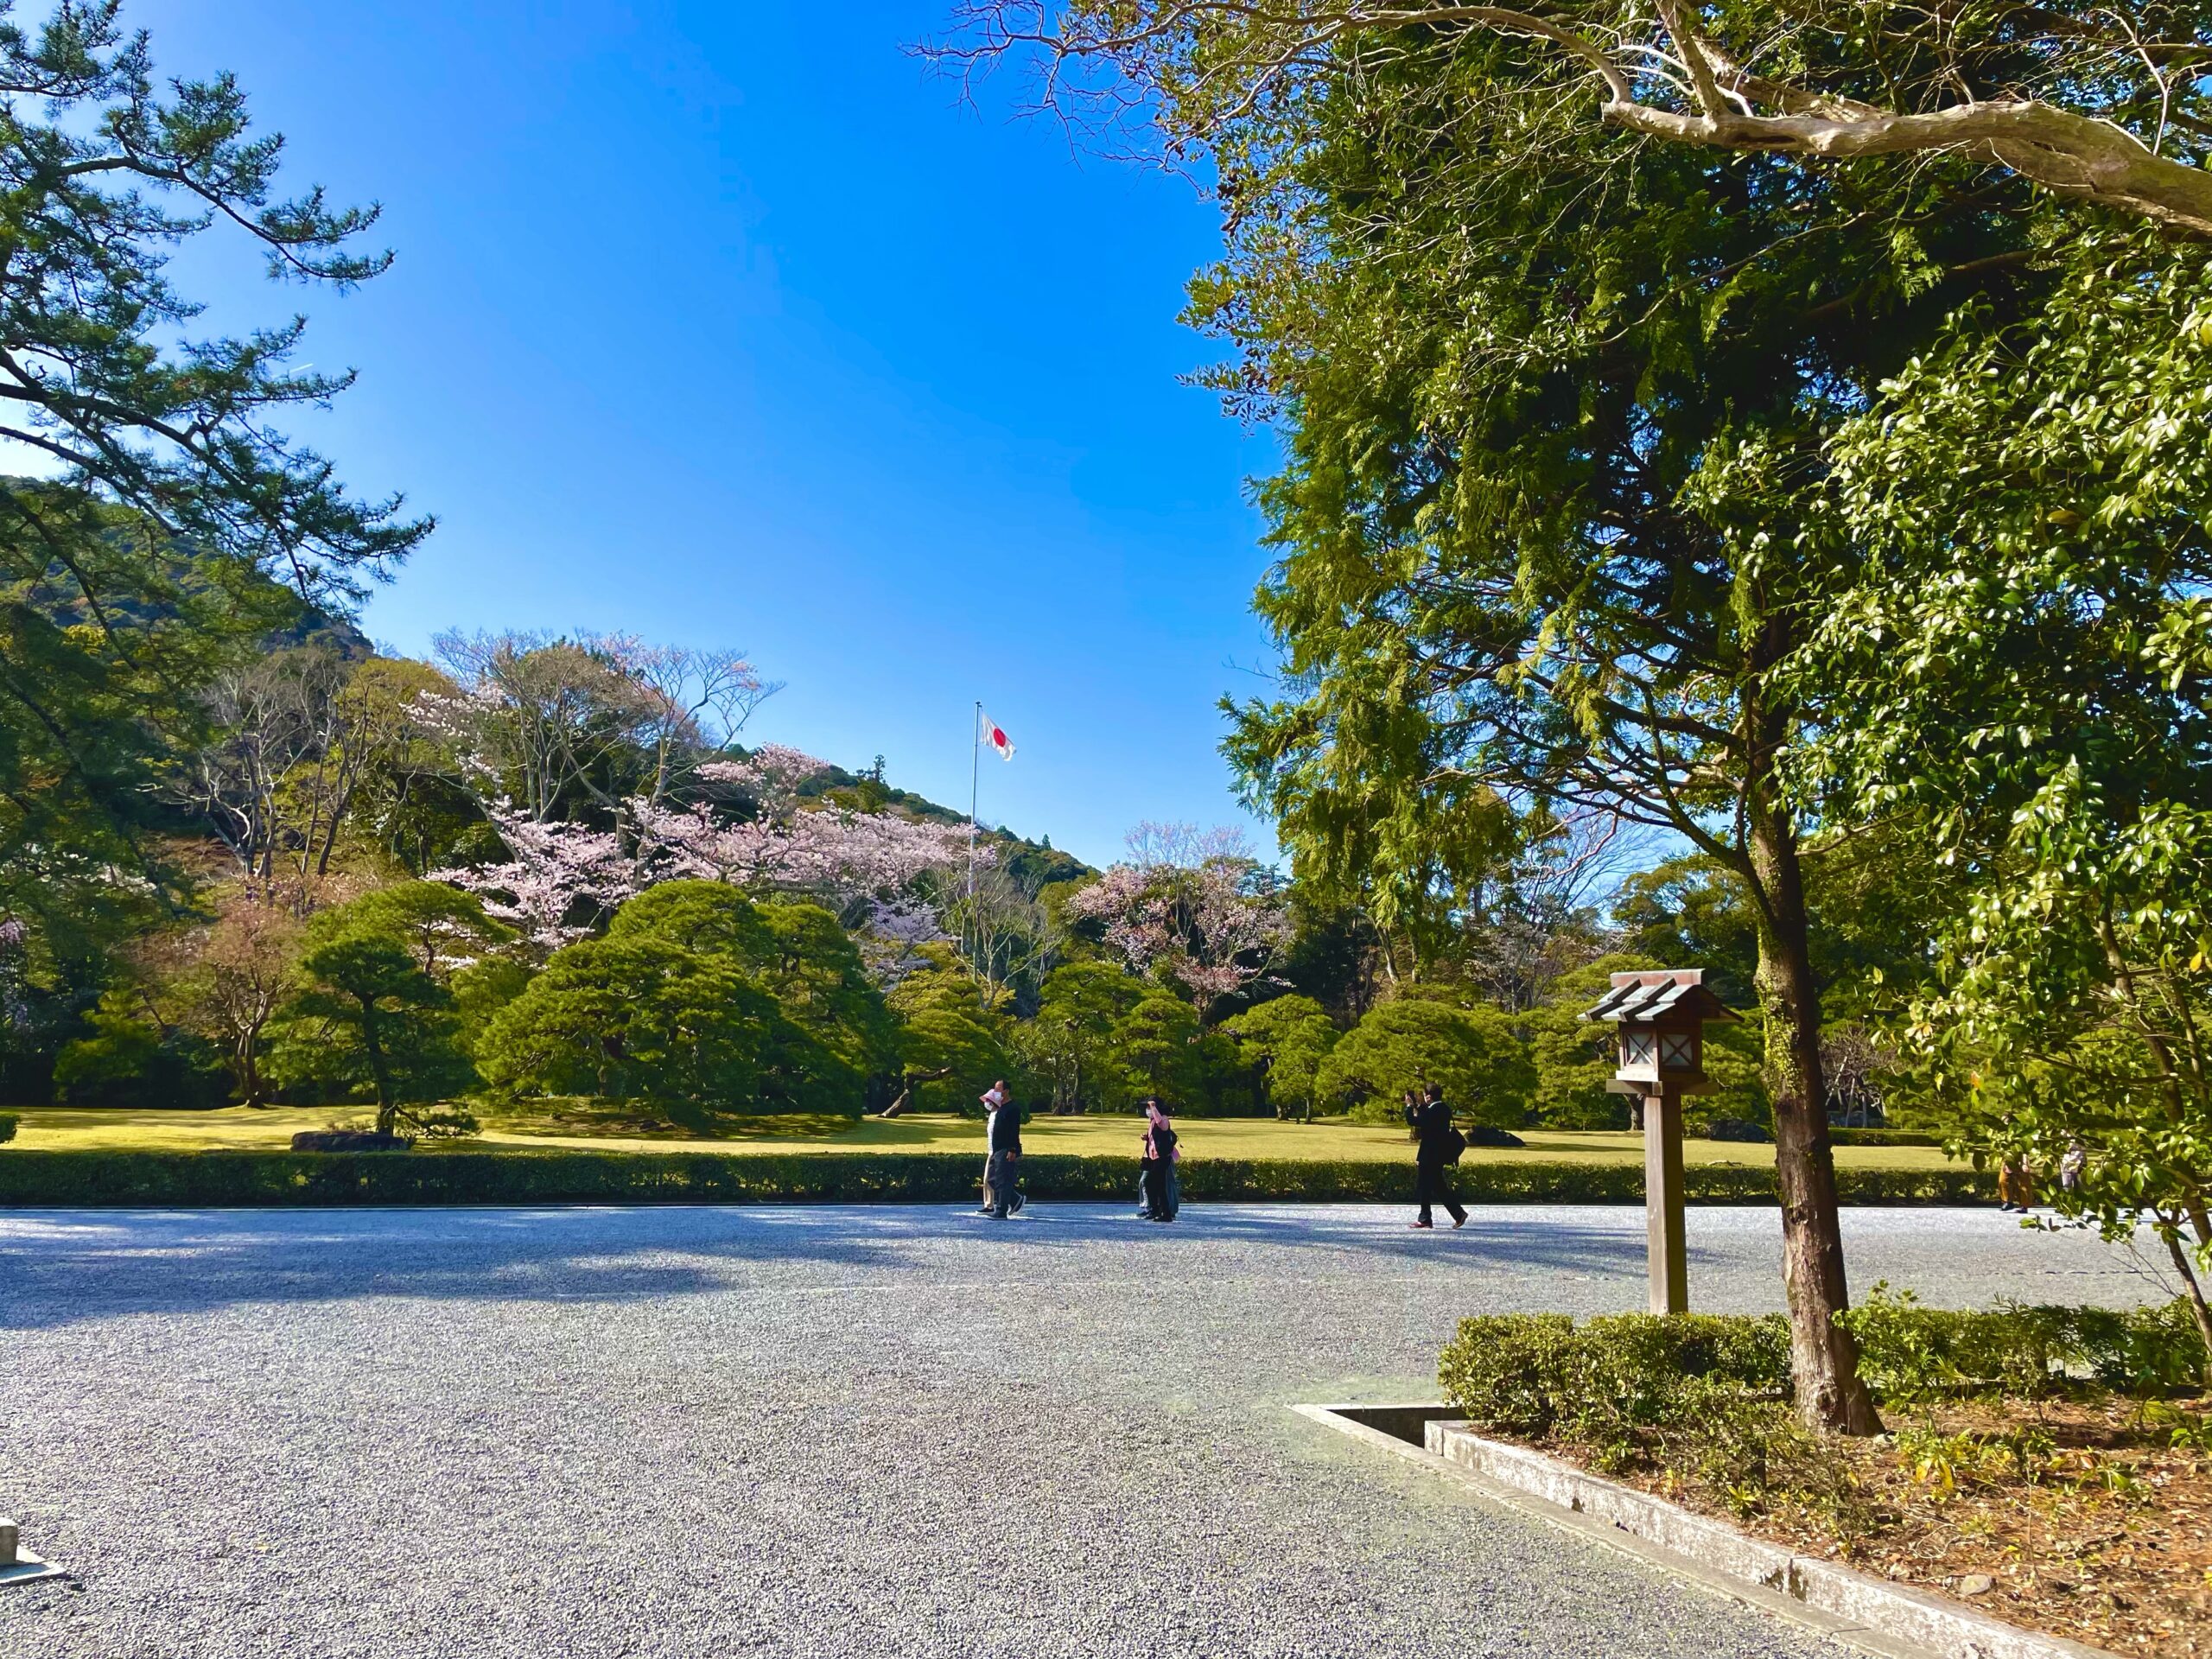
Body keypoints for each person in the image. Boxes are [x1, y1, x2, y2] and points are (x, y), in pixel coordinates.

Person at [1406, 1083, 1467, 1230]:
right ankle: (1455, 1214)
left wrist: (1409, 1106)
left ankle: (1429, 1218)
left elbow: (1414, 1121)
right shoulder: (1443, 1108)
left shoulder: (1433, 1111)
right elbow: (1426, 1118)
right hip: (1437, 1154)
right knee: (1436, 1186)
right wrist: (1418, 1105)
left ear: (1429, 1096)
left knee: (1427, 1186)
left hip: (1429, 1155)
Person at [982, 1082, 1024, 1219]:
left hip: (1006, 1148)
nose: (995, 1091)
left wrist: (1012, 1149)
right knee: (992, 1178)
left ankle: (1001, 1210)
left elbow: (1014, 1130)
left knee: (1003, 1180)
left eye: (997, 1089)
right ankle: (1015, 1199)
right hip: (996, 1148)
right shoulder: (1000, 1107)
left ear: (1005, 1091)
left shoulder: (1013, 1108)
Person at [1137, 1096, 1179, 1222]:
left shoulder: (1163, 1119)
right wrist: (1146, 1138)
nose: (1148, 1110)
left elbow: (1162, 1124)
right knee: (1155, 1184)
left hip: (1162, 1158)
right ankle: (1157, 1211)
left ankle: (1164, 1212)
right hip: (1153, 1158)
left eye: (1149, 1107)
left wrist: (1154, 1107)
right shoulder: (1152, 1121)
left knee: (1154, 1183)